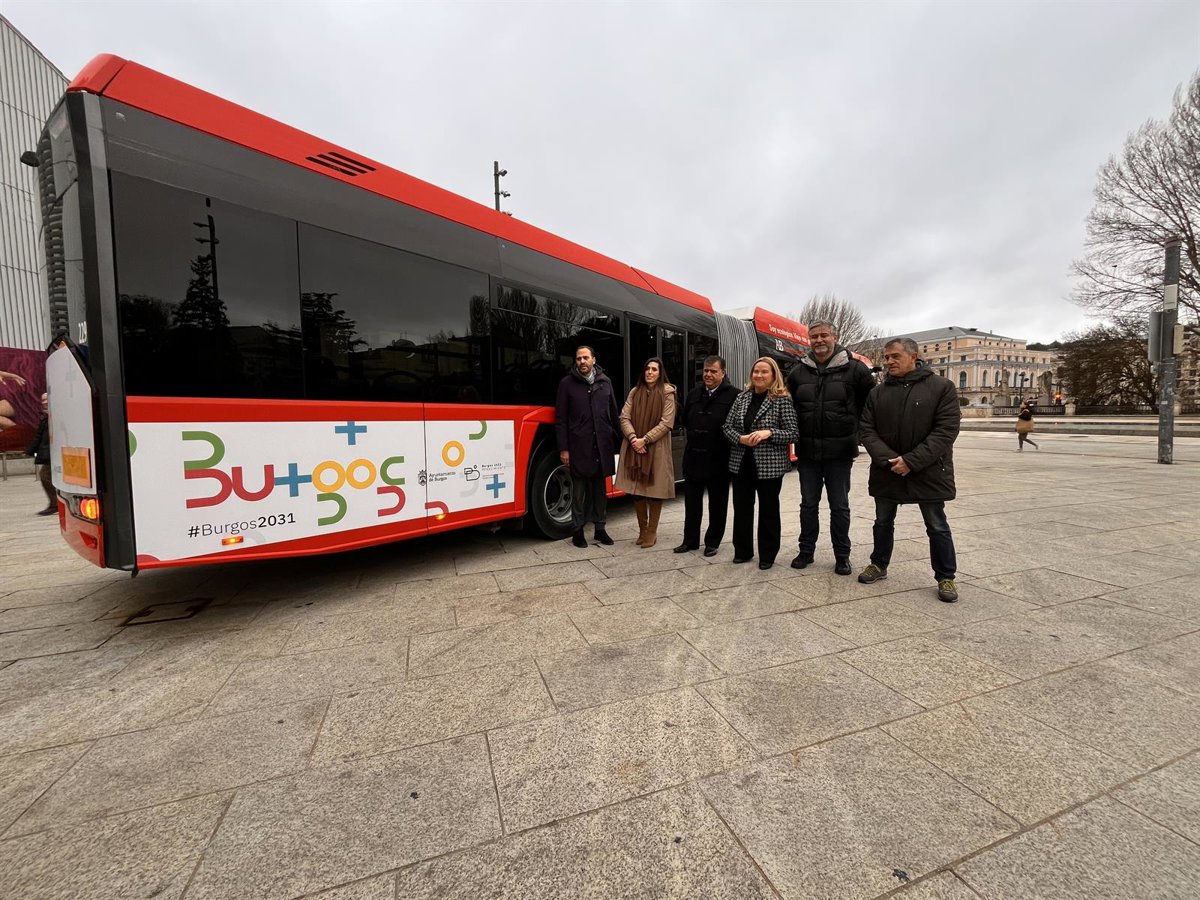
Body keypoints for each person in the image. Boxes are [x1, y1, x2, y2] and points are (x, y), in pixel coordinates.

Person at [858, 338, 962, 602]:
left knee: (936, 525)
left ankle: (946, 576)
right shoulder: (877, 393)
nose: (889, 362)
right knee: (882, 521)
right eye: (887, 357)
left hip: (929, 471)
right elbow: (866, 430)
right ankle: (878, 564)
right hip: (887, 470)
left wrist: (911, 461)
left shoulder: (942, 387)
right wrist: (891, 460)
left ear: (913, 357)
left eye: (895, 356)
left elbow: (946, 430)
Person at [786, 320, 877, 575]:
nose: (819, 340)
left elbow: (871, 405)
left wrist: (859, 434)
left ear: (834, 337)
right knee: (808, 505)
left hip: (840, 453)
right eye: (814, 336)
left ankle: (842, 555)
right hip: (807, 453)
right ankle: (806, 551)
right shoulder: (798, 372)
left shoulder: (855, 369)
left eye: (824, 335)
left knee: (839, 506)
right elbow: (788, 405)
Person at [722, 357, 799, 570]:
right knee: (742, 509)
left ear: (774, 375)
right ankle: (743, 551)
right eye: (756, 371)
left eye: (765, 372)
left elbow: (793, 433)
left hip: (769, 466)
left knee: (768, 511)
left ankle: (768, 554)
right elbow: (727, 427)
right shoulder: (742, 397)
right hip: (741, 463)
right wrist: (740, 438)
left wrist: (769, 433)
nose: (759, 375)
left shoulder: (782, 399)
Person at [555, 345, 621, 548]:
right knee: (578, 493)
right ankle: (578, 531)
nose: (582, 361)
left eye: (585, 358)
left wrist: (622, 441)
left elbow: (614, 413)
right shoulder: (566, 384)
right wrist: (564, 449)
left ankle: (600, 529)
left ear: (593, 360)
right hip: (579, 447)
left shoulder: (605, 382)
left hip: (602, 445)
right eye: (578, 359)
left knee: (600, 491)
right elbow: (561, 419)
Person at [675, 355, 738, 557]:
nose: (708, 375)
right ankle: (690, 540)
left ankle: (713, 542)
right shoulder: (694, 394)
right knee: (691, 503)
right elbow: (686, 420)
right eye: (706, 371)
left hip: (719, 459)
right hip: (693, 458)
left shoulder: (735, 395)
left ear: (723, 373)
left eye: (713, 371)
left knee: (718, 504)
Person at [615, 357, 676, 548]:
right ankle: (642, 530)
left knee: (655, 491)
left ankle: (651, 531)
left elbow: (666, 422)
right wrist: (633, 438)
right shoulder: (635, 392)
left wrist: (645, 439)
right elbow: (624, 417)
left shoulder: (668, 392)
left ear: (660, 373)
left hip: (655, 447)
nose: (650, 372)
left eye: (654, 369)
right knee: (637, 489)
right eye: (647, 369)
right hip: (635, 446)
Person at [27, 393, 55, 515]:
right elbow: (39, 436)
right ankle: (55, 503)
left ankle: (55, 503)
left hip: (55, 453)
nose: (44, 402)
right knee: (46, 476)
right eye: (42, 400)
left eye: (46, 399)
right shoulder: (46, 417)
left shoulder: (54, 416)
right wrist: (30, 450)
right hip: (50, 454)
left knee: (45, 475)